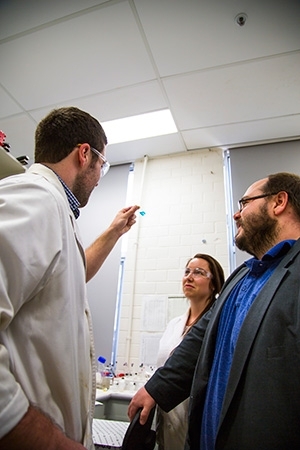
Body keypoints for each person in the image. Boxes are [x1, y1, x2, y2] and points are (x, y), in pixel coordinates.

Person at [0, 106, 139, 450]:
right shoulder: (35, 199)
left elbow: (71, 276)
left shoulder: (55, 208)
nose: (100, 175)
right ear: (84, 154)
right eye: (102, 165)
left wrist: (112, 232)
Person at [128, 172, 300, 450]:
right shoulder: (241, 276)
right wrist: (156, 388)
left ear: (279, 202)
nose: (236, 214)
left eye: (245, 203)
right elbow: (200, 339)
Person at [156, 253, 224, 450]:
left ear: (214, 284)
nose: (189, 277)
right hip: (166, 418)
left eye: (199, 272)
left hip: (198, 419)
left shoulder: (217, 326)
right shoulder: (173, 324)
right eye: (187, 272)